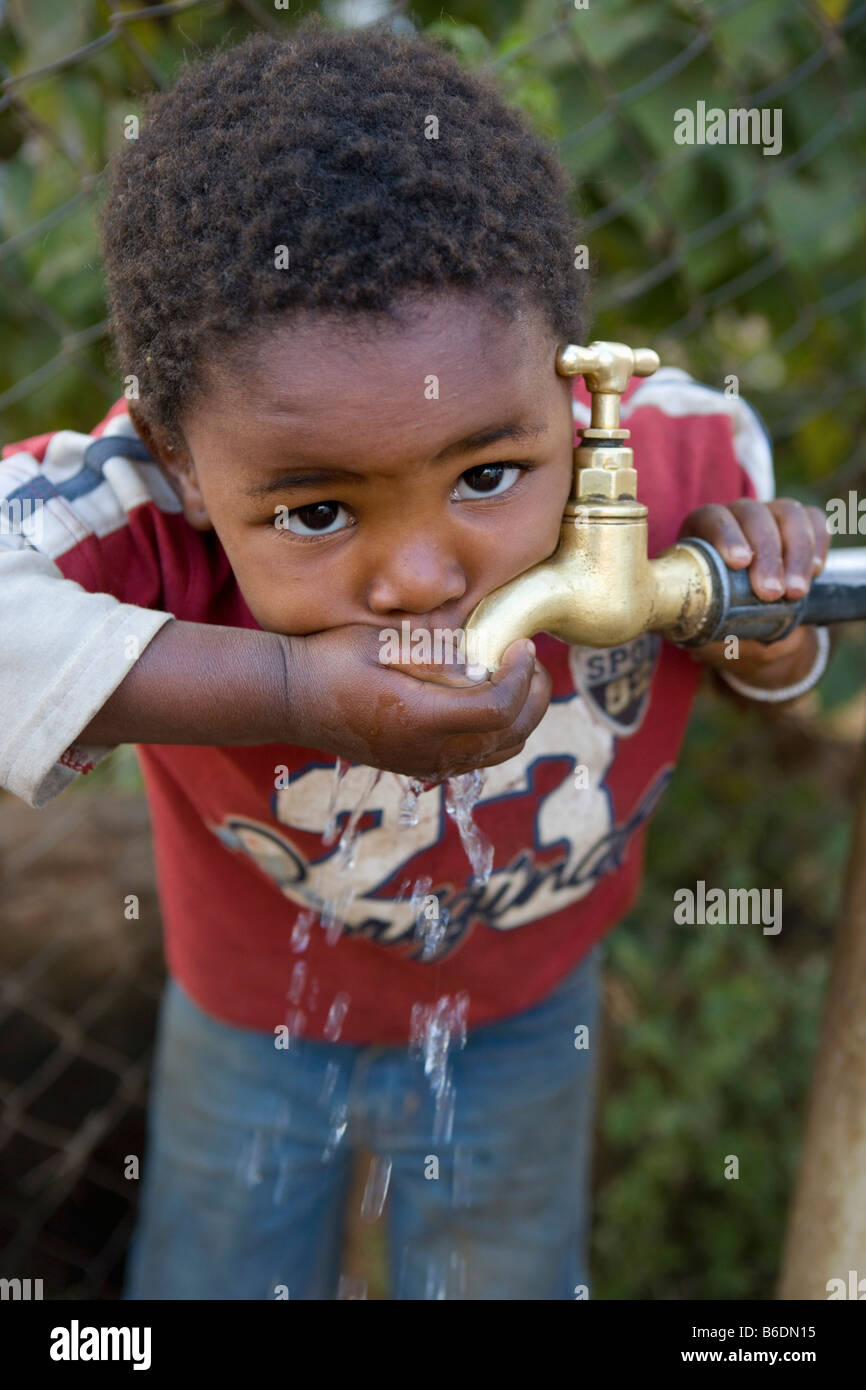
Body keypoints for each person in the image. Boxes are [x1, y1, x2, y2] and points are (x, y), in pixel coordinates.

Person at [0, 17, 831, 1300]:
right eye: (317, 511)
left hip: (523, 1007)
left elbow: (776, 674)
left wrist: (753, 612)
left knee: (502, 1274)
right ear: (178, 456)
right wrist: (284, 690)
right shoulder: (140, 506)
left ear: (571, 391)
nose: (420, 574)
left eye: (489, 475)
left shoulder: (673, 469)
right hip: (250, 1011)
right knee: (215, 1274)